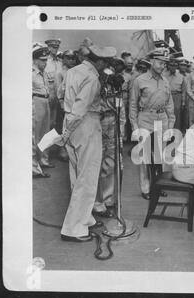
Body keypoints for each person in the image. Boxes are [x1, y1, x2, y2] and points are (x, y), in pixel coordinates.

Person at [54, 44, 117, 242]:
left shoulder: (72, 71)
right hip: (85, 123)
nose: (105, 67)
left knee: (77, 175)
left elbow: (60, 95)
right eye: (104, 63)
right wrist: (70, 129)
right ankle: (74, 229)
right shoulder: (92, 78)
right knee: (87, 177)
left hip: (70, 121)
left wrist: (66, 131)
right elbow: (81, 108)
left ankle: (85, 218)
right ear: (97, 61)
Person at [129, 48, 175, 200]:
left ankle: (158, 185)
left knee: (159, 157)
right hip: (145, 119)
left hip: (161, 119)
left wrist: (170, 125)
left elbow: (169, 105)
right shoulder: (139, 80)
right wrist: (134, 126)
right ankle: (146, 188)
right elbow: (133, 105)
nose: (163, 66)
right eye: (161, 63)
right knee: (145, 157)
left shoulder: (165, 81)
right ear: (153, 62)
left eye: (165, 64)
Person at [93, 59, 127, 217]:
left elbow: (120, 108)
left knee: (111, 163)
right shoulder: (94, 78)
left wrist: (121, 128)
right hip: (97, 121)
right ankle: (96, 202)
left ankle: (108, 200)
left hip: (112, 121)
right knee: (95, 163)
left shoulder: (116, 82)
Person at [32, 43, 51, 178]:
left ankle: (43, 160)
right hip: (36, 102)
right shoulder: (31, 73)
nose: (45, 63)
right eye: (42, 60)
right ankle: (34, 168)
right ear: (35, 59)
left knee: (46, 133)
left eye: (46, 60)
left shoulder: (43, 72)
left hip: (46, 101)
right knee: (35, 135)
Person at [56, 49, 78, 162]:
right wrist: (61, 103)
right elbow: (59, 90)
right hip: (63, 103)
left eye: (73, 58)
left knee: (73, 127)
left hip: (74, 103)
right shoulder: (61, 72)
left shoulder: (76, 71)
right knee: (63, 128)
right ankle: (62, 150)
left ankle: (72, 150)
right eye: (68, 58)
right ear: (64, 59)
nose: (71, 60)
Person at [163, 58, 187, 131]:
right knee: (166, 114)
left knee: (176, 115)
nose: (173, 67)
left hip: (177, 96)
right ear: (168, 66)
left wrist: (183, 102)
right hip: (166, 96)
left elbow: (183, 90)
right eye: (171, 65)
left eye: (175, 65)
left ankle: (176, 133)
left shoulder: (181, 76)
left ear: (177, 66)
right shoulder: (163, 75)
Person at [44, 39, 63, 131]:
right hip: (49, 93)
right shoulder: (45, 62)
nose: (55, 49)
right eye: (53, 47)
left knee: (57, 118)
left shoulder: (60, 62)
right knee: (48, 118)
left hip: (59, 93)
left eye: (57, 47)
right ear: (48, 48)